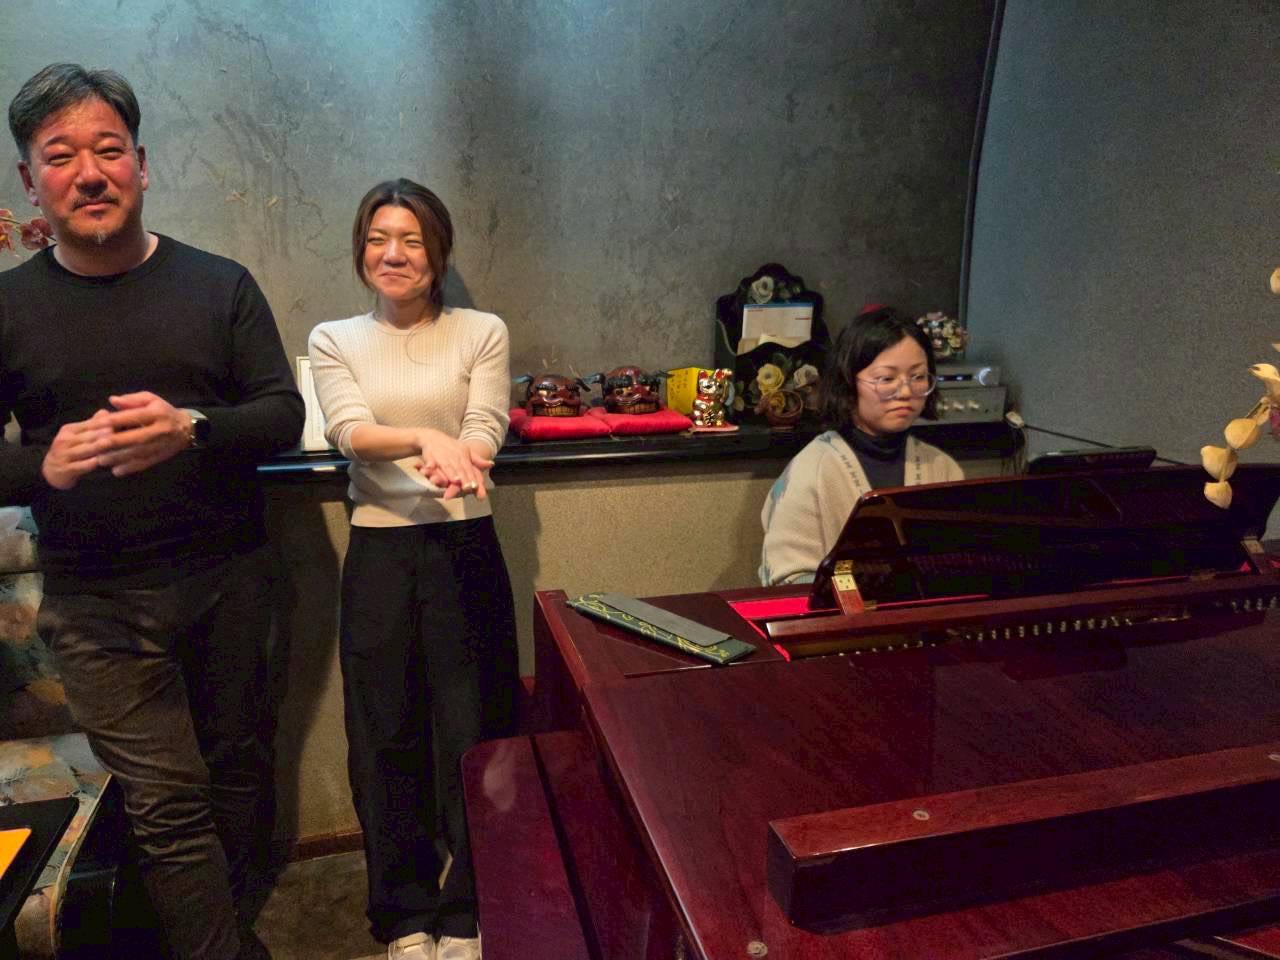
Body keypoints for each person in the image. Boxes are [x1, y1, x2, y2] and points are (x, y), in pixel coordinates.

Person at [0, 64, 304, 958]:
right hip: (97, 606)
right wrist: (39, 464)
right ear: (29, 180)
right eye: (60, 156)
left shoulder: (219, 284)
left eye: (108, 150)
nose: (89, 173)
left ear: (141, 163)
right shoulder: (8, 306)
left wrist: (193, 427)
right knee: (168, 804)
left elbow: (281, 413)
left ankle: (223, 932)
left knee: (239, 769)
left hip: (230, 580)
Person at [308, 179, 518, 960]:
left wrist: (468, 456)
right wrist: (425, 440)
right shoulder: (335, 338)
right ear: (361, 250)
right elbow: (349, 430)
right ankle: (403, 913)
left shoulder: (481, 331)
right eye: (377, 239)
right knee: (383, 730)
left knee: (475, 726)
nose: (392, 254)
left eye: (410, 240)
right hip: (381, 550)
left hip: (465, 543)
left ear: (438, 252)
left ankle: (468, 908)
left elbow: (486, 423)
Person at [760, 306, 963, 585]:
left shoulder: (942, 467)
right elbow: (789, 578)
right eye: (887, 379)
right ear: (849, 382)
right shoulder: (812, 471)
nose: (905, 392)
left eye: (917, 377)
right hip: (840, 613)